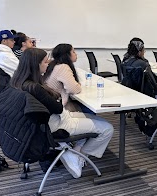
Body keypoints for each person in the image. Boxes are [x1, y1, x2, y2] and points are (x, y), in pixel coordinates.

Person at [8, 48, 81, 178]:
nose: (48, 64)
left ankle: (69, 152)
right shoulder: (35, 87)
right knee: (104, 127)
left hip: (28, 127)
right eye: (45, 62)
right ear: (36, 64)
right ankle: (73, 156)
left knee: (83, 115)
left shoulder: (16, 82)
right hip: (47, 126)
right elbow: (58, 108)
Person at [43, 43, 114, 174]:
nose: (76, 54)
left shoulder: (55, 66)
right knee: (104, 126)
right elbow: (74, 88)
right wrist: (77, 85)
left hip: (53, 115)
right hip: (60, 115)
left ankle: (77, 149)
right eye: (74, 51)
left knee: (87, 113)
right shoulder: (63, 67)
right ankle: (80, 155)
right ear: (67, 55)